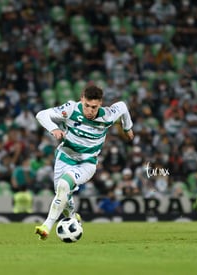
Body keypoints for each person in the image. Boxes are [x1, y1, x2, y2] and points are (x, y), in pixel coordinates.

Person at [34, 84, 134, 240]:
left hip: (87, 163)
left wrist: (128, 128)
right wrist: (53, 129)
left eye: (94, 107)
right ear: (81, 100)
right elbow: (41, 115)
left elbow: (122, 106)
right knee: (62, 194)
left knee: (64, 185)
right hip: (64, 157)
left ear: (100, 103)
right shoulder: (71, 109)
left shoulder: (107, 115)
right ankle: (73, 218)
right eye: (87, 105)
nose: (90, 110)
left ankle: (46, 226)